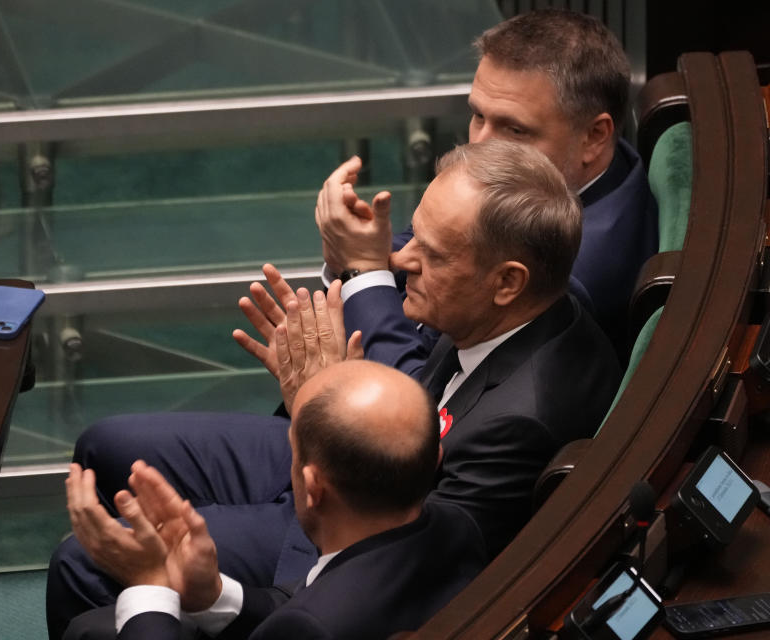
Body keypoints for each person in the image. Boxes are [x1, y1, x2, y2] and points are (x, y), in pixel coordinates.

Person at [46, 139, 622, 638]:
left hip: (344, 504)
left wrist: (322, 405)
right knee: (105, 445)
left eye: (431, 254)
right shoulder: (522, 305)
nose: (401, 258)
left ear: (506, 283)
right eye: (413, 235)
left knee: (82, 563)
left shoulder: (521, 420)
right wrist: (325, 394)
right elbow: (418, 388)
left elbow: (389, 548)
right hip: (339, 461)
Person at [60, 360, 487, 639]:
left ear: (312, 487)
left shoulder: (307, 629)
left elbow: (307, 613)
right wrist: (211, 593)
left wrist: (150, 584)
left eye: (292, 450)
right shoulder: (458, 526)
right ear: (435, 459)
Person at [318, 9, 657, 360]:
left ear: (594, 136)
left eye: (515, 130)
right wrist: (360, 249)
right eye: (478, 115)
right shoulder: (602, 166)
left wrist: (362, 271)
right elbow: (432, 243)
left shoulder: (571, 280)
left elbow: (427, 398)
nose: (479, 144)